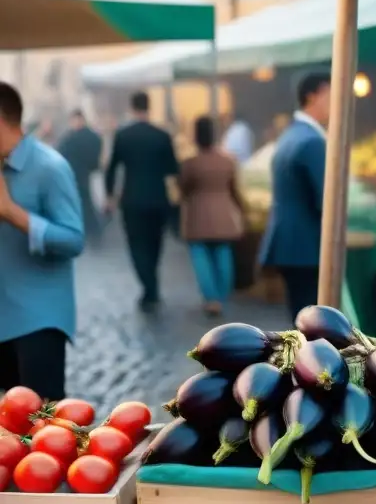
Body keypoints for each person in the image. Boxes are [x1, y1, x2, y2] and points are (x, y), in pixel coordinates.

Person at [0, 83, 84, 400]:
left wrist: (12, 213)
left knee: (41, 423)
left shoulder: (50, 167)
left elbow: (74, 239)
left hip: (38, 320)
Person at [259, 72, 331, 320]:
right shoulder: (312, 141)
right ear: (313, 97)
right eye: (331, 95)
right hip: (306, 245)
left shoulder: (292, 134)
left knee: (300, 318)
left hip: (292, 244)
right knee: (311, 323)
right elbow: (327, 200)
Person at [104, 92, 179, 312]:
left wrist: (110, 195)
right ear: (149, 106)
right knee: (155, 244)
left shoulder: (123, 135)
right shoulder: (162, 135)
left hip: (132, 199)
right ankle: (152, 285)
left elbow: (112, 167)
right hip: (158, 198)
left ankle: (149, 287)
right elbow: (173, 169)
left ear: (132, 107)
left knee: (137, 245)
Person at [179, 116, 245, 317]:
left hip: (197, 216)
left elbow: (183, 188)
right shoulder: (227, 162)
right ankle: (222, 296)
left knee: (201, 258)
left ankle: (211, 298)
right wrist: (242, 210)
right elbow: (235, 190)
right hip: (223, 216)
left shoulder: (190, 163)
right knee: (223, 254)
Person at [57, 109, 104, 242]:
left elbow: (60, 153)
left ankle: (88, 233)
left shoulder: (71, 137)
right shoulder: (92, 136)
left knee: (81, 204)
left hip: (75, 175)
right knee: (86, 203)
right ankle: (94, 233)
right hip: (86, 174)